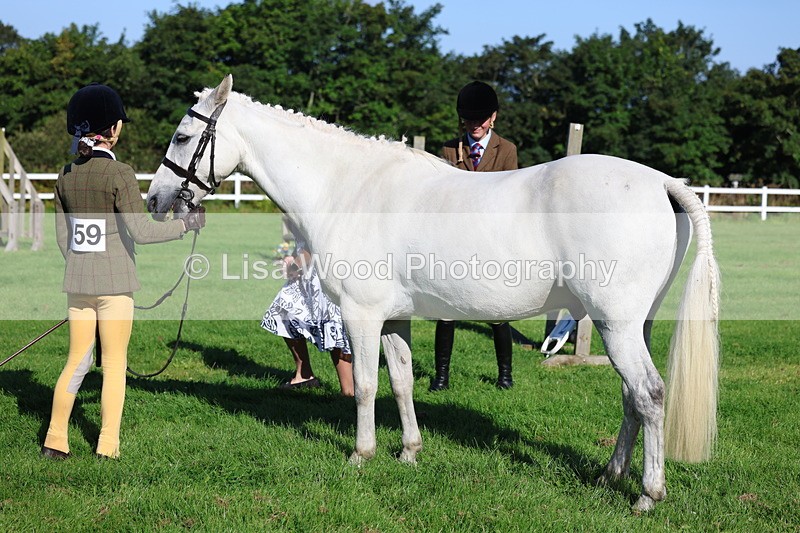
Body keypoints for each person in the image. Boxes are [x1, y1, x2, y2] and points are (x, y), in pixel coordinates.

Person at [43, 83, 205, 460]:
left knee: (76, 361)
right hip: (115, 287)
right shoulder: (121, 174)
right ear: (113, 129)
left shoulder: (65, 175)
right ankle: (107, 446)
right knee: (114, 365)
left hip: (78, 285)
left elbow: (63, 238)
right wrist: (186, 226)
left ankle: (54, 440)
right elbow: (142, 231)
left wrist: (83, 271)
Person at [432, 80, 518, 391]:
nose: (474, 126)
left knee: (497, 310)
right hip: (454, 239)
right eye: (468, 120)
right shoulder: (448, 149)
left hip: (490, 238)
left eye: (480, 120)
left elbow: (509, 196)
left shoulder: (507, 150)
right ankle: (441, 376)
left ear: (493, 117)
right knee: (445, 309)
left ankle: (504, 375)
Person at [261, 219, 354, 396]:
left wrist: (293, 266)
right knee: (284, 312)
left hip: (323, 272)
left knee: (333, 326)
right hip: (310, 274)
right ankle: (304, 375)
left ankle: (349, 391)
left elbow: (313, 244)